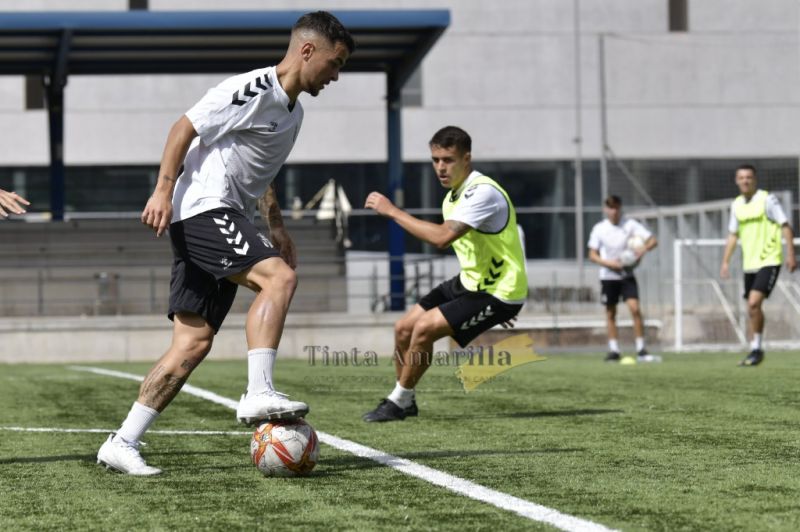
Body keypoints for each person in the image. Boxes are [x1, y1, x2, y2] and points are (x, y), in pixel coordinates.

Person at [97, 11, 354, 475]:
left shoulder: (293, 115)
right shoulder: (253, 88)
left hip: (220, 215)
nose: (336, 76)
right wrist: (162, 190)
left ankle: (122, 442)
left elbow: (261, 175)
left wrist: (276, 226)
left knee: (192, 343)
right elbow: (183, 128)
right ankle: (258, 391)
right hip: (203, 209)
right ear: (307, 51)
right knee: (279, 279)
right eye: (334, 63)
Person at [362, 126, 528, 422]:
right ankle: (405, 400)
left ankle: (397, 401)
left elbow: (441, 238)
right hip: (470, 282)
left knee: (424, 328)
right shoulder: (453, 197)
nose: (440, 167)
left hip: (496, 291)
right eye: (435, 159)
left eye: (448, 160)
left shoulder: (482, 192)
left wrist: (392, 211)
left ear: (467, 159)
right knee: (403, 328)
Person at [720, 164, 796, 366]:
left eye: (749, 177)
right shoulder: (736, 204)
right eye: (741, 178)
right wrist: (725, 261)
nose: (745, 181)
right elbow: (733, 234)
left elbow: (785, 226)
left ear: (755, 179)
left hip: (769, 259)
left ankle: (756, 348)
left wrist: (791, 254)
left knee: (754, 303)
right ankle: (756, 348)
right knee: (752, 308)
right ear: (736, 181)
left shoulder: (767, 200)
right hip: (750, 263)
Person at [587, 195, 658, 363]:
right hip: (608, 276)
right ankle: (614, 350)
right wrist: (610, 263)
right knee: (611, 312)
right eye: (610, 208)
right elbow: (592, 254)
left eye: (616, 207)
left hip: (627, 274)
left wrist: (641, 251)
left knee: (635, 309)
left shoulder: (630, 224)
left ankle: (641, 349)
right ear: (606, 209)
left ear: (620, 208)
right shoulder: (599, 228)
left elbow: (653, 241)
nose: (614, 211)